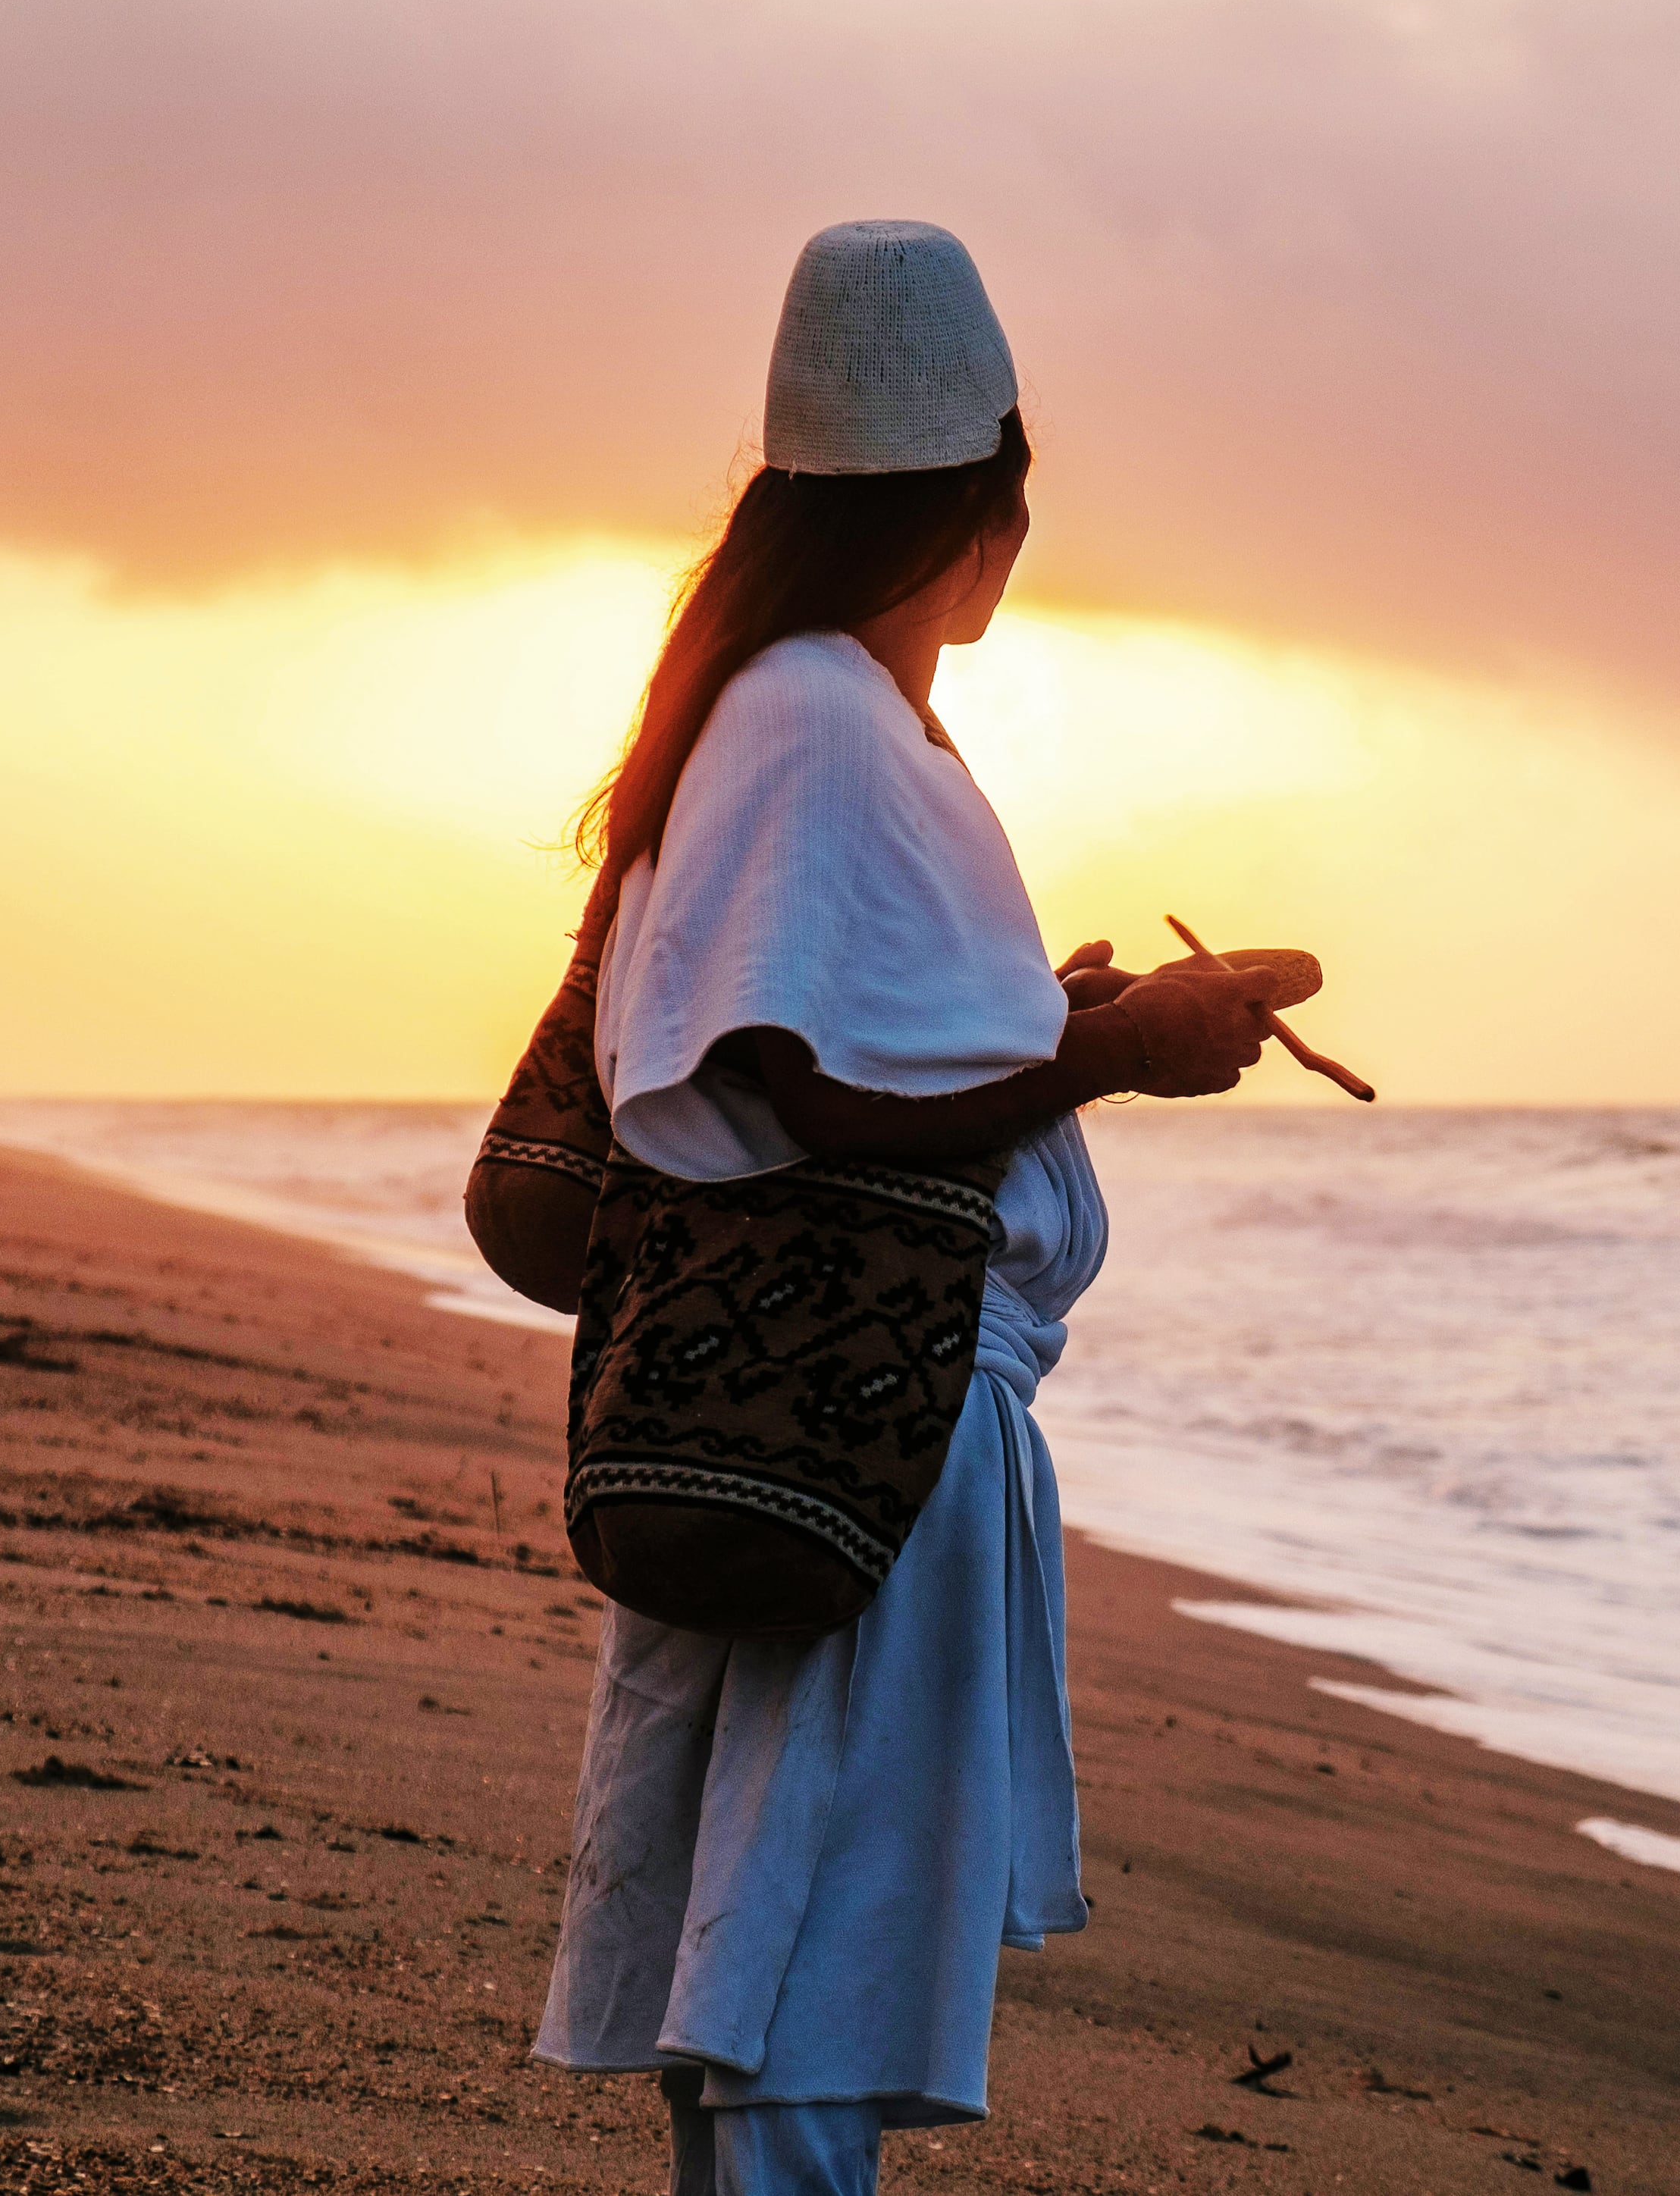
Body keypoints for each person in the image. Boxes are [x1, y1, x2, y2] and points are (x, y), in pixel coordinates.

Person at [531, 221, 1280, 2194]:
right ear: (982, 509)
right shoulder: (820, 719)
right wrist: (1114, 1058)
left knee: (770, 1953)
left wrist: (1065, 1018)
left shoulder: (800, 708)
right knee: (810, 1970)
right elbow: (788, 1086)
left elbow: (833, 1047)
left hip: (831, 1399)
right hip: (858, 1405)